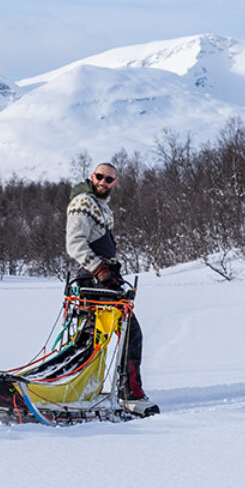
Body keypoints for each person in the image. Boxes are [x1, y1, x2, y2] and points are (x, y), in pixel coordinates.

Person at [65, 162, 159, 417]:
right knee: (130, 332)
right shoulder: (83, 202)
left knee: (93, 338)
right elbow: (74, 244)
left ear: (114, 183)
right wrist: (100, 270)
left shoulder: (100, 205)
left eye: (109, 179)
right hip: (96, 280)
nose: (103, 182)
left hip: (103, 279)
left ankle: (81, 387)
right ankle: (130, 395)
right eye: (100, 177)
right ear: (92, 176)